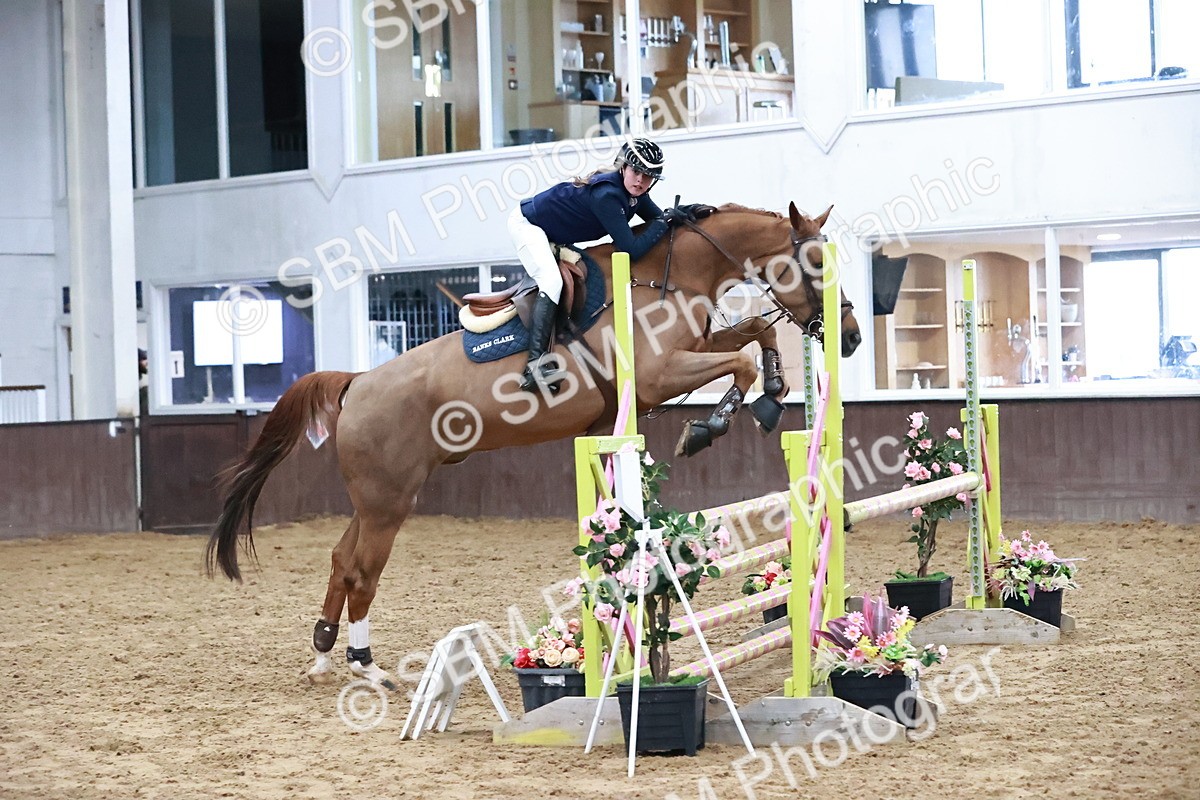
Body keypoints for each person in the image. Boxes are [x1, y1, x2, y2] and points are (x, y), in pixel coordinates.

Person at [508, 137, 710, 393]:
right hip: (528, 227)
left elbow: (658, 219)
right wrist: (665, 220)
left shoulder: (633, 194)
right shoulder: (608, 196)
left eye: (647, 177)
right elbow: (631, 249)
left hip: (554, 234)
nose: (640, 181)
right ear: (623, 167)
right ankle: (535, 365)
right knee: (551, 282)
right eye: (636, 172)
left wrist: (685, 214)